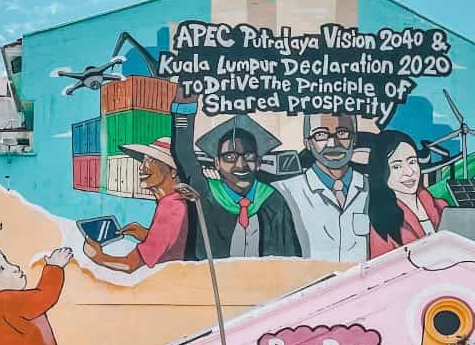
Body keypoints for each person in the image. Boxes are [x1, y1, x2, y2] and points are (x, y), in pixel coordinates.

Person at [171, 93, 302, 260]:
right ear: (217, 163)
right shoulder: (206, 195)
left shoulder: (273, 202)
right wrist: (184, 108)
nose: (241, 165)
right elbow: (183, 153)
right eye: (230, 157)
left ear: (259, 162)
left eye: (248, 156)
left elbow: (289, 257)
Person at [83, 137, 189, 274]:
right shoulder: (176, 202)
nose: (142, 167)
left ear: (173, 171)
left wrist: (97, 256)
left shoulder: (170, 208)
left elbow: (130, 265)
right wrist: (148, 235)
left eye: (151, 160)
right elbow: (171, 244)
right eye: (144, 160)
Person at [277, 113, 369, 263]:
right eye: (321, 134)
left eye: (342, 133)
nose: (333, 143)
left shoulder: (372, 189)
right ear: (307, 142)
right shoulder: (284, 191)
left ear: (354, 139)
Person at [367, 130, 447, 259]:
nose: (409, 172)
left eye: (412, 162)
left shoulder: (442, 207)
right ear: (381, 171)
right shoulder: (382, 222)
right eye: (397, 166)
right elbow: (383, 272)